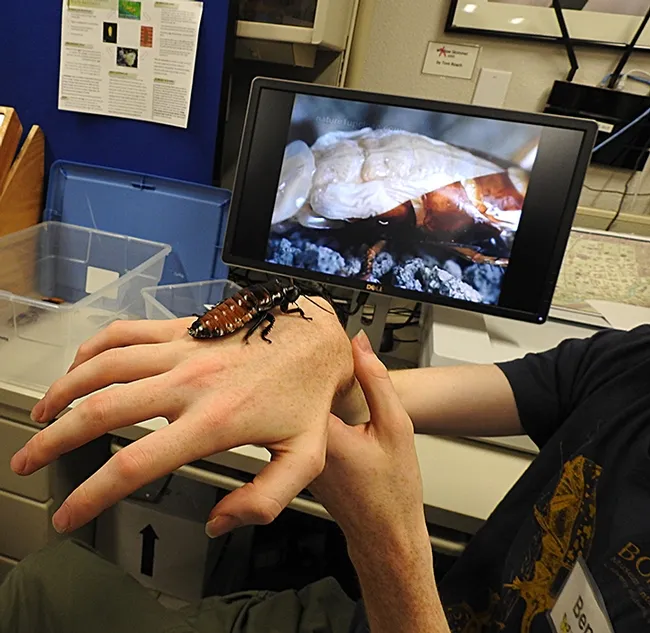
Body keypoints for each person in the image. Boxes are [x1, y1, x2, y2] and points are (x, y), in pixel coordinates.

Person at [4, 290, 650, 632]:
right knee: (43, 580)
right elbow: (379, 394)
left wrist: (388, 544)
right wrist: (320, 353)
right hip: (375, 614)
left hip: (407, 608)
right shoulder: (634, 362)